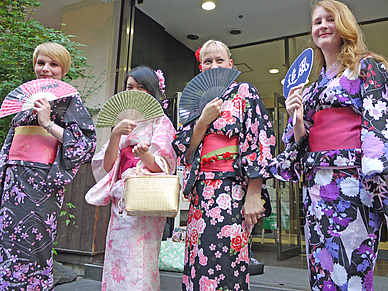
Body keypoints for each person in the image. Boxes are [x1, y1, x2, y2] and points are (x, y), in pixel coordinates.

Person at [267, 1, 388, 289]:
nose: (322, 25)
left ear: (344, 24)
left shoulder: (368, 66)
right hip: (317, 187)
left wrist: (376, 174)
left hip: (353, 181)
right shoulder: (312, 85)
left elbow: (379, 119)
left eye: (330, 19)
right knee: (321, 268)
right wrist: (296, 119)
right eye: (317, 21)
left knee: (351, 268)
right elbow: (301, 142)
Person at [172, 40, 276, 291]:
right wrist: (203, 122)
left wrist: (254, 194)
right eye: (207, 61)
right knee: (198, 260)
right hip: (201, 193)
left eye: (220, 60)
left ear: (231, 64)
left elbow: (260, 140)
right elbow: (184, 150)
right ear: (200, 67)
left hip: (233, 191)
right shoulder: (197, 99)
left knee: (229, 261)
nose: (214, 65)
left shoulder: (244, 92)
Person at [0, 42, 96, 290]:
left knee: (34, 244)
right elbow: (10, 145)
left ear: (63, 70)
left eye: (53, 64)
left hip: (41, 184)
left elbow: (85, 144)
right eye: (41, 63)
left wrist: (47, 123)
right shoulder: (24, 101)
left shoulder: (69, 100)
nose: (46, 69)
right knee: (6, 243)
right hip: (13, 182)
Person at [85, 66, 177, 291]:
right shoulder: (123, 122)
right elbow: (108, 167)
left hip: (145, 198)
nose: (134, 92)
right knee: (118, 258)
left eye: (141, 88)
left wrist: (144, 155)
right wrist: (116, 133)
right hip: (121, 200)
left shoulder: (161, 122)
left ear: (153, 91)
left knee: (140, 261)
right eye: (130, 87)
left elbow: (164, 165)